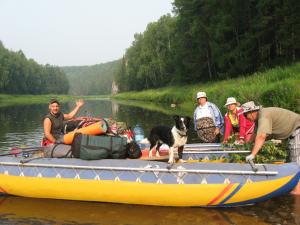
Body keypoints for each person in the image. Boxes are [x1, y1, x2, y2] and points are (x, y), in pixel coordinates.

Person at [242, 101, 300, 194]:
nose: (245, 117)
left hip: (297, 130)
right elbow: (255, 135)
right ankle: (294, 187)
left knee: (295, 164)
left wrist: (252, 155)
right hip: (291, 134)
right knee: (290, 162)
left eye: (245, 115)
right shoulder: (258, 119)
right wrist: (245, 146)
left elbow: (261, 136)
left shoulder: (263, 116)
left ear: (252, 112)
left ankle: (297, 192)